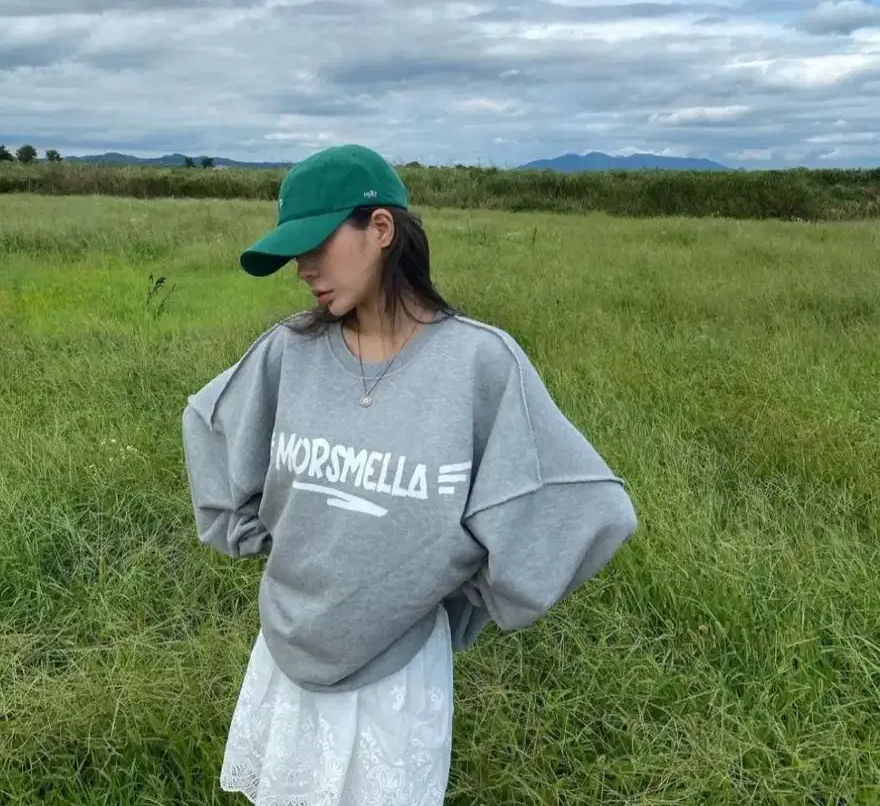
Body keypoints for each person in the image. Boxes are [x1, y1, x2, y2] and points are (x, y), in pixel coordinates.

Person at [181, 144, 639, 805]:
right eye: (294, 253)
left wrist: (463, 588)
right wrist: (263, 536)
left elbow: (583, 508)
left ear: (382, 229)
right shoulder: (290, 352)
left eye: (317, 243)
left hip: (396, 679)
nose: (304, 268)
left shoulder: (478, 364)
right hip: (287, 652)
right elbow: (208, 423)